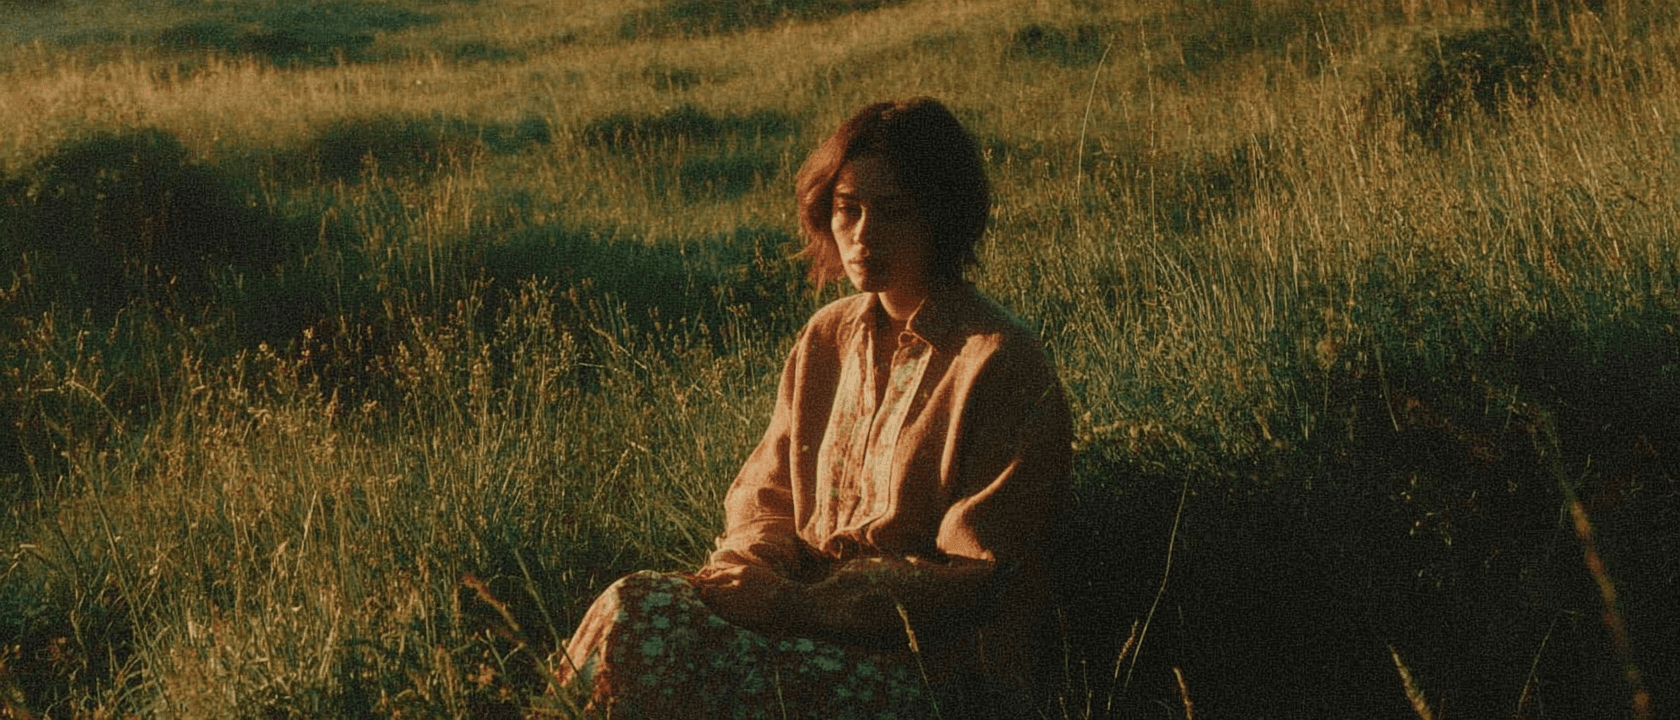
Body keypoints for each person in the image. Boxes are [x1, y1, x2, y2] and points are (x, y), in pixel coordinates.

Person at [550, 97, 1073, 719]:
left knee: (651, 642)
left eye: (894, 211)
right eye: (847, 210)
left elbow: (975, 578)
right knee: (633, 603)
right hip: (798, 621)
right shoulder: (828, 336)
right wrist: (742, 580)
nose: (863, 235)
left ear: (944, 218)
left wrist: (796, 608)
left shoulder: (999, 360)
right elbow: (765, 495)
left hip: (922, 666)